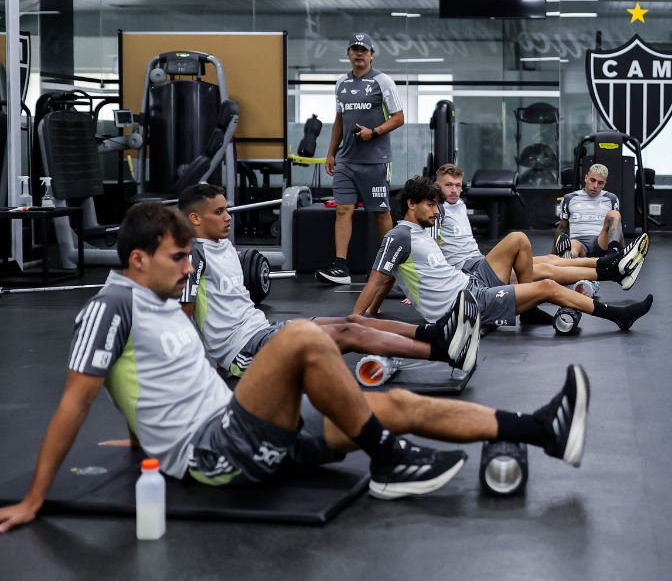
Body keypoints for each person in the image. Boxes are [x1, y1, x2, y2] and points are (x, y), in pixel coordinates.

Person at [0, 202, 592, 533]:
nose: (188, 269)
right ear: (137, 259)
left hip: (243, 427)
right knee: (301, 337)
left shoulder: (157, 302)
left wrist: (138, 442)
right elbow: (75, 402)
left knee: (389, 404)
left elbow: (146, 384)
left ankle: (541, 428)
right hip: (214, 452)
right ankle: (387, 460)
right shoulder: (109, 308)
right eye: (178, 258)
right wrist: (34, 500)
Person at [178, 183, 479, 376]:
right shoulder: (193, 255)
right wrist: (201, 370)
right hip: (246, 352)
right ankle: (446, 354)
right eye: (219, 212)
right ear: (195, 219)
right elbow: (184, 315)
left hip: (264, 331)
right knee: (350, 334)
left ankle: (437, 334)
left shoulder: (226, 246)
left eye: (227, 209)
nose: (228, 216)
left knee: (357, 321)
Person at [355, 176, 654, 331]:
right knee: (547, 284)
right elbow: (376, 280)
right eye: (431, 205)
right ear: (411, 204)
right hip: (466, 303)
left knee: (517, 239)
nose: (436, 210)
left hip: (470, 280)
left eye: (437, 204)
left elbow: (391, 278)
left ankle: (605, 270)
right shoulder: (398, 236)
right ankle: (619, 316)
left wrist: (376, 309)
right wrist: (356, 320)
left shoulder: (419, 232)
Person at [432, 163, 647, 287]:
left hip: (481, 262)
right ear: (436, 186)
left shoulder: (458, 204)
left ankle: (616, 261)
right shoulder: (436, 210)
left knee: (551, 259)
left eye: (457, 185)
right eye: (448, 185)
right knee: (546, 269)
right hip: (468, 274)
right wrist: (428, 288)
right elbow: (429, 249)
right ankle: (615, 272)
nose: (453, 190)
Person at [318, 33, 405, 285]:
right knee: (343, 210)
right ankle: (340, 267)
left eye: (364, 50)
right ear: (348, 53)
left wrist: (374, 132)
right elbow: (338, 121)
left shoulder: (382, 81)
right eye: (354, 49)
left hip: (375, 160)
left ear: (371, 54)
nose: (359, 53)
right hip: (346, 160)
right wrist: (331, 153)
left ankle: (388, 269)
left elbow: (399, 117)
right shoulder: (341, 83)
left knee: (380, 212)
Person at [556, 164, 627, 259]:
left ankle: (613, 254)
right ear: (586, 178)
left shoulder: (611, 199)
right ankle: (571, 258)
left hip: (601, 243)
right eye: (592, 180)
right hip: (579, 243)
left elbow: (617, 228)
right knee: (572, 245)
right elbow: (562, 227)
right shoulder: (569, 198)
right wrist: (553, 254)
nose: (595, 186)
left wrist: (624, 251)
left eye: (600, 183)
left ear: (604, 184)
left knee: (615, 214)